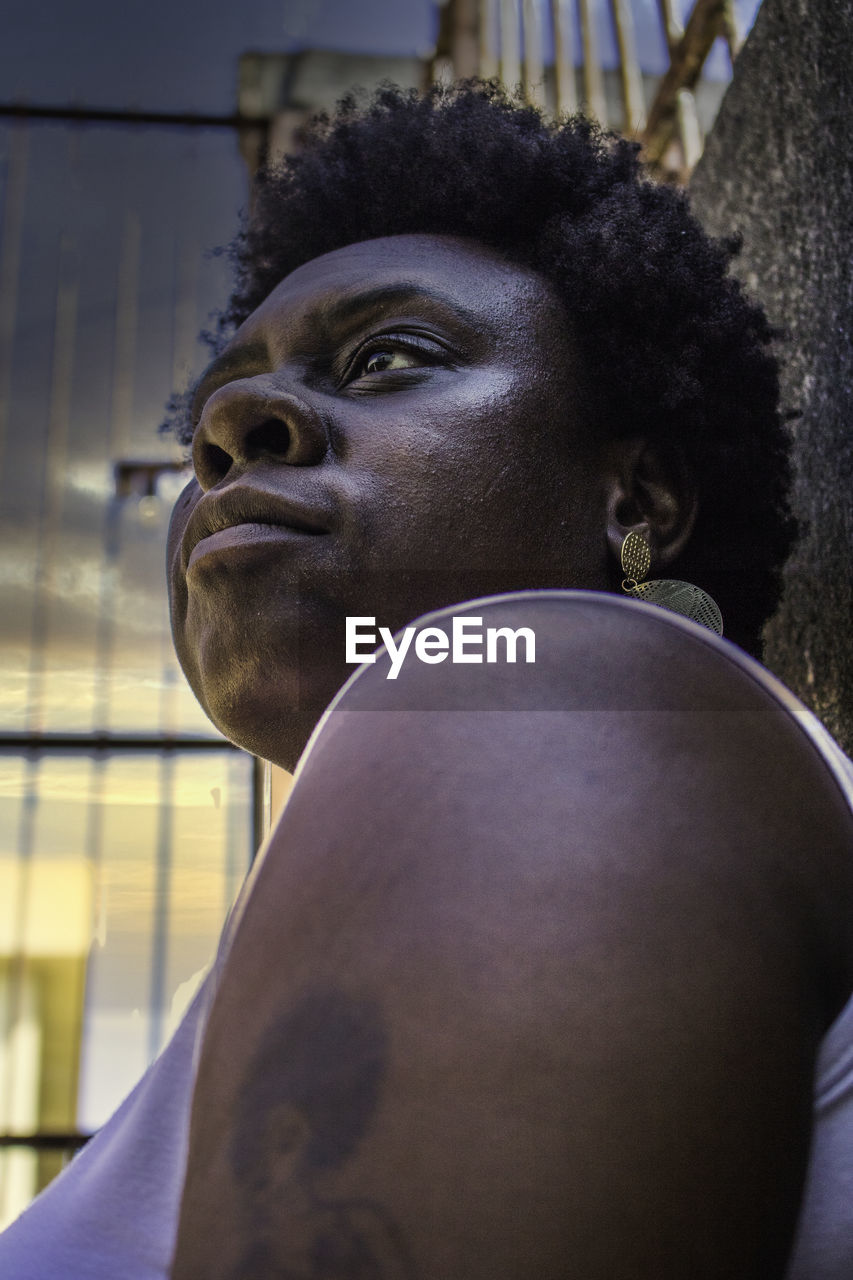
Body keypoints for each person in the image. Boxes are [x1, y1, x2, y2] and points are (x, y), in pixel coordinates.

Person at [2, 81, 852, 1278]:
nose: (234, 424)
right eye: (211, 419)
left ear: (637, 498)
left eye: (388, 358)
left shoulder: (540, 684)